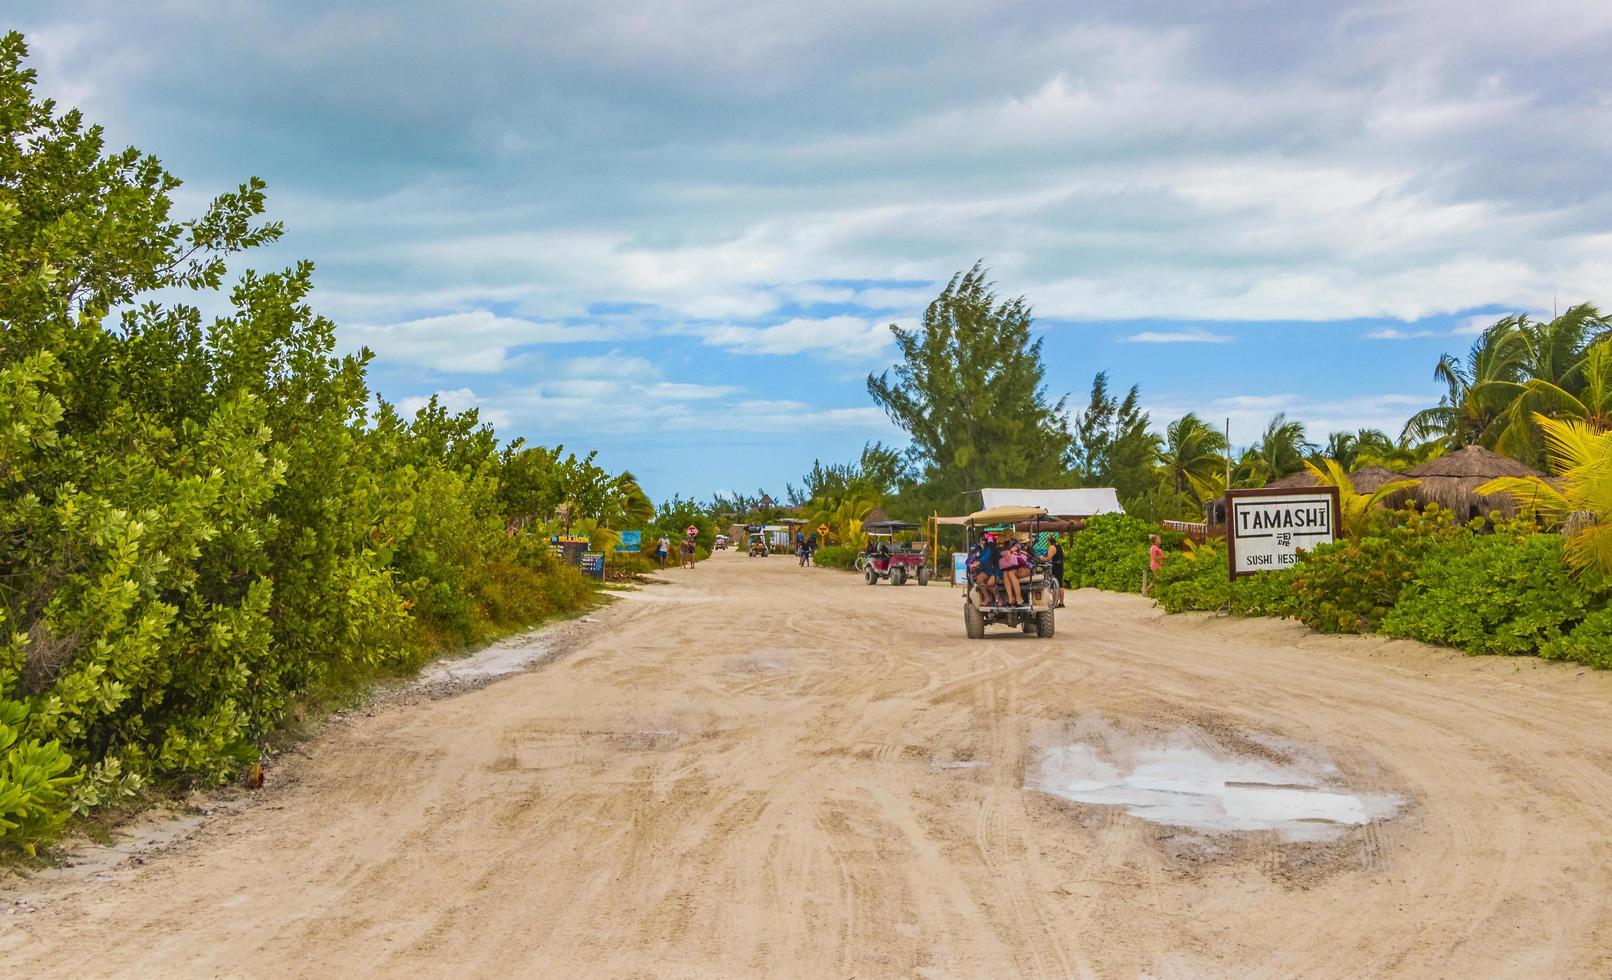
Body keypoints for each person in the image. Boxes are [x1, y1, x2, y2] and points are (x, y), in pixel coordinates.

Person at [1043, 534, 1065, 607]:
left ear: (1049, 542)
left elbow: (1049, 558)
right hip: (1061, 565)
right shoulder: (1059, 546)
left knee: (1053, 584)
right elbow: (1064, 554)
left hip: (1055, 566)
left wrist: (1043, 559)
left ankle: (1054, 603)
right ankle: (1061, 603)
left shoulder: (1052, 547)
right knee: (1061, 584)